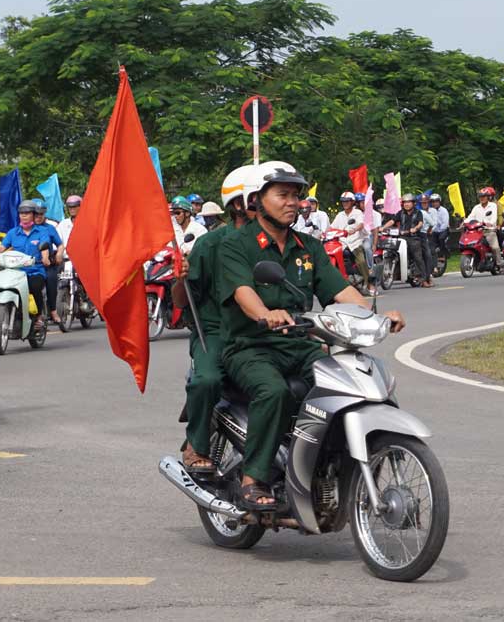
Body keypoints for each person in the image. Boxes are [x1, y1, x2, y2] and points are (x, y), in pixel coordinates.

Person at [218, 164, 405, 508]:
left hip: (301, 345)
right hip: (251, 347)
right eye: (282, 195)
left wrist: (377, 317)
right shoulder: (236, 244)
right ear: (258, 200)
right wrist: (265, 314)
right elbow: (243, 291)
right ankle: (252, 479)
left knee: (346, 385)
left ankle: (328, 465)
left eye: (296, 196)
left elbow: (341, 290)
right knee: (272, 391)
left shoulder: (309, 247)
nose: (292, 203)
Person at [170, 164, 258, 472]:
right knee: (207, 380)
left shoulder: (283, 242)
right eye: (265, 197)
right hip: (215, 333)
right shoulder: (209, 244)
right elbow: (182, 300)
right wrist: (180, 279)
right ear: (238, 205)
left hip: (264, 334)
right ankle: (197, 441)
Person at [0, 201, 53, 324]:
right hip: (16, 272)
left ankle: (38, 317)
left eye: (27, 213)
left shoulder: (42, 232)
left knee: (35, 286)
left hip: (35, 271)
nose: (24, 215)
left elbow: (45, 249)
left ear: (33, 214)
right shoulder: (13, 233)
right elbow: (2, 248)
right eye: (21, 213)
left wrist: (45, 258)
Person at [330, 192, 373, 295]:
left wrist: (354, 229)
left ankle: (369, 284)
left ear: (352, 202)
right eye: (343, 201)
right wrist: (325, 233)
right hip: (342, 243)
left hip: (355, 242)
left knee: (361, 261)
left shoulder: (357, 213)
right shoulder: (340, 215)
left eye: (347, 201)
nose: (344, 203)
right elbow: (332, 227)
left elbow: (361, 224)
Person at [33, 200, 64, 325]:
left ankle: (53, 310)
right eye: (36, 214)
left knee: (51, 281)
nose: (38, 217)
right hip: (28, 265)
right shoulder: (25, 229)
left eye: (41, 214)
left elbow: (60, 245)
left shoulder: (49, 228)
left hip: (47, 264)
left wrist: (59, 254)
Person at [392, 193, 431, 286]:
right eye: (405, 202)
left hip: (414, 238)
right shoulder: (400, 213)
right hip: (402, 237)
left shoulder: (418, 213)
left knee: (418, 257)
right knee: (392, 251)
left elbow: (420, 223)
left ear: (413, 203)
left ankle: (423, 279)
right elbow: (392, 221)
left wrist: (415, 228)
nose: (406, 204)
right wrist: (382, 227)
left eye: (409, 202)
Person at [466, 187, 503, 271]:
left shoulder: (493, 205)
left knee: (495, 247)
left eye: (484, 196)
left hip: (489, 230)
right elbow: (470, 217)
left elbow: (494, 218)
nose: (482, 198)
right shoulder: (476, 207)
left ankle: (500, 264)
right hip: (477, 231)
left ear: (488, 197)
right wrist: (465, 222)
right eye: (480, 197)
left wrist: (490, 223)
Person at [425, 193, 451, 261]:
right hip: (434, 230)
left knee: (441, 238)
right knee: (429, 242)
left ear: (439, 202)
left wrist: (437, 231)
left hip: (443, 230)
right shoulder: (429, 211)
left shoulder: (444, 211)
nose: (434, 203)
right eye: (433, 202)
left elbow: (445, 224)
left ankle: (443, 254)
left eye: (436, 201)